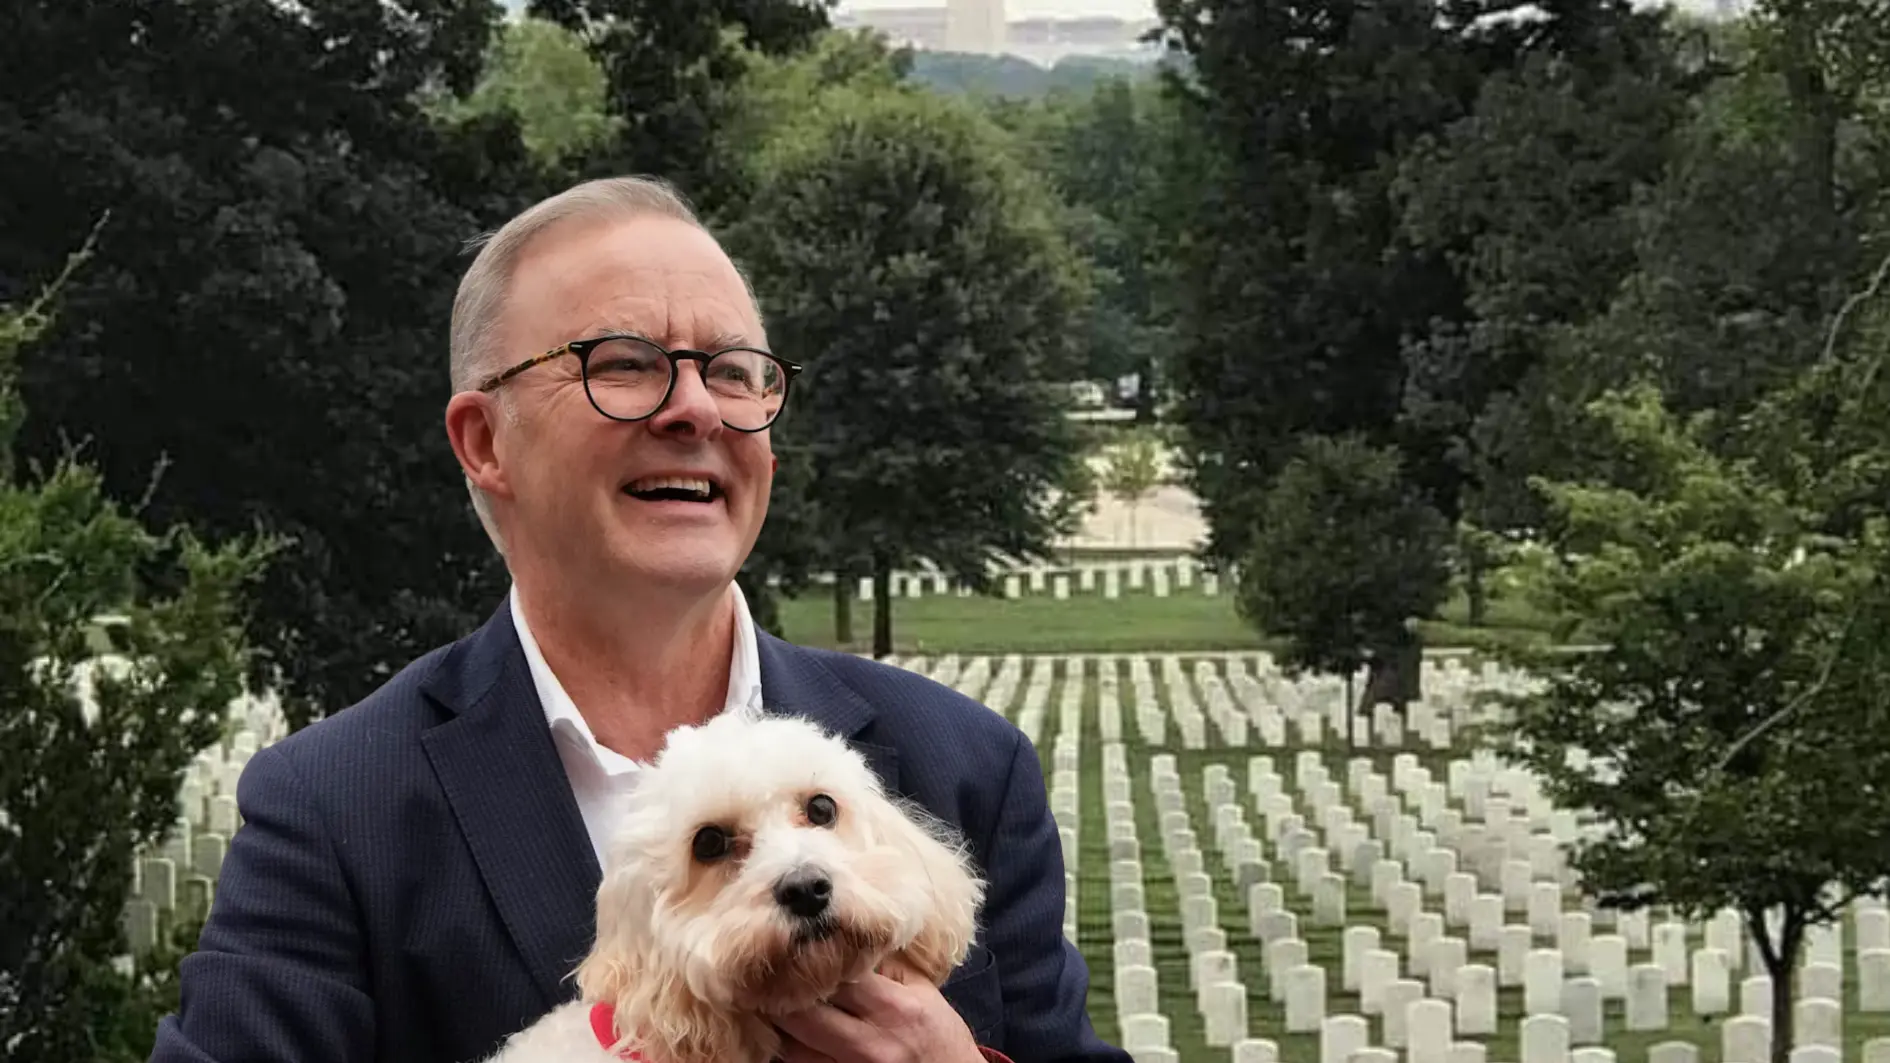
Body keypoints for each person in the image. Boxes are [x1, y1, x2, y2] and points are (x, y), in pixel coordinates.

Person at [149, 175, 1132, 1063]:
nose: (697, 408)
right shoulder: (337, 807)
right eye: (624, 362)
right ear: (486, 440)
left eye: (737, 370)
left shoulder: (963, 765)